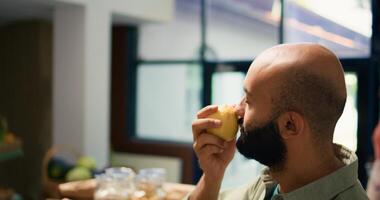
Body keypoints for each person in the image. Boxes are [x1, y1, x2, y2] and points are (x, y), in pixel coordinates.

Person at [189, 43, 368, 200]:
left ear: (290, 125)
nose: (237, 109)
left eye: (249, 100)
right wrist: (212, 176)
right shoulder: (274, 182)